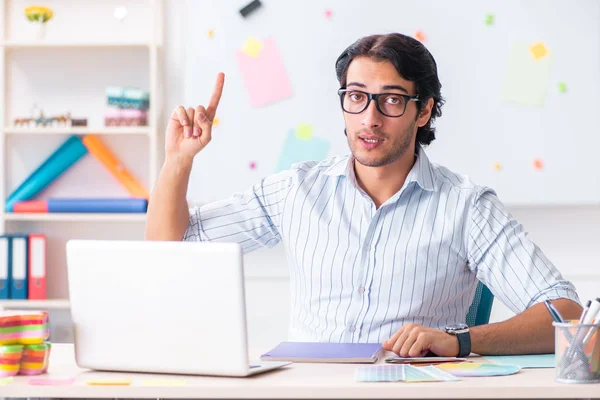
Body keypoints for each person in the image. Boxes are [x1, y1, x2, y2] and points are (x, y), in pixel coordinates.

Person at [145, 33, 581, 357]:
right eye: (356, 97)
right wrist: (179, 161)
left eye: (391, 100)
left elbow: (567, 315)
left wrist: (458, 341)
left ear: (423, 109)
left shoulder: (466, 206)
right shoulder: (296, 188)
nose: (369, 118)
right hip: (310, 391)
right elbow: (170, 250)